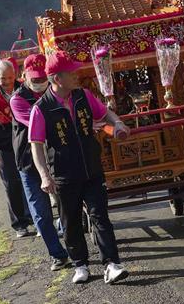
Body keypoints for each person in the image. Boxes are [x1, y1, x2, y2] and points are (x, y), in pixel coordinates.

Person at [29, 51, 131, 285]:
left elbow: (105, 113)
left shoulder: (83, 96)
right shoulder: (41, 109)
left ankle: (112, 264)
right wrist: (45, 176)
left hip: (92, 169)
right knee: (71, 221)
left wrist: (118, 123)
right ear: (57, 78)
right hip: (64, 174)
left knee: (100, 216)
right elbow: (36, 146)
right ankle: (80, 264)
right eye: (71, 72)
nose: (77, 75)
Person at [10, 54, 70, 270]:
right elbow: (39, 122)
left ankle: (73, 245)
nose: (38, 83)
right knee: (40, 212)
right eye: (34, 79)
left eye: (42, 78)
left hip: (57, 158)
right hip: (29, 162)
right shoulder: (17, 100)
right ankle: (57, 254)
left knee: (67, 205)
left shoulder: (56, 91)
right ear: (23, 76)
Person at [0, 59, 33, 238]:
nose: (8, 82)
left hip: (24, 138)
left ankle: (35, 217)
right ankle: (19, 223)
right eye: (3, 78)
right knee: (11, 183)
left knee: (31, 178)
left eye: (10, 77)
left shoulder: (24, 88)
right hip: (3, 143)